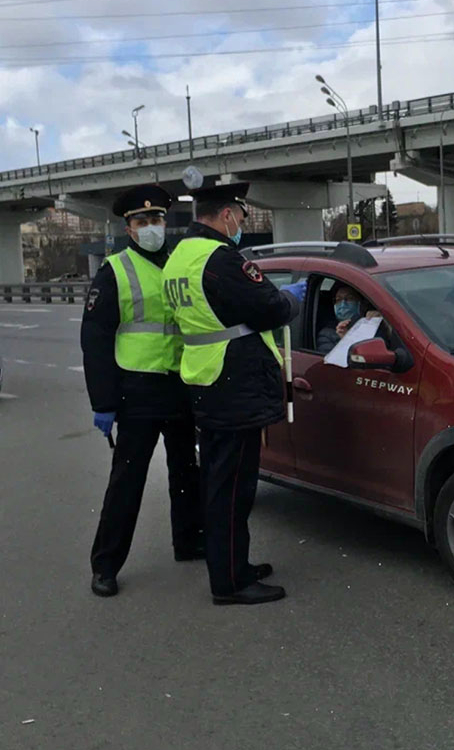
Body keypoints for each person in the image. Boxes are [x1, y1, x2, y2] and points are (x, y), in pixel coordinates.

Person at [161, 182, 308, 606]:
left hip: (206, 378)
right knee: (232, 489)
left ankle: (233, 566)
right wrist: (290, 298)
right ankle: (230, 582)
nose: (242, 225)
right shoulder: (221, 259)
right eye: (241, 217)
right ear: (227, 214)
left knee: (221, 481)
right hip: (232, 381)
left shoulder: (179, 257)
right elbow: (272, 309)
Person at [81, 184, 204, 598]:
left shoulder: (177, 264)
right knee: (127, 481)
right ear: (128, 228)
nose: (150, 227)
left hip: (180, 384)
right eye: (141, 221)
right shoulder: (115, 270)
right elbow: (95, 340)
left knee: (186, 471)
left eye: (156, 220)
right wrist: (104, 402)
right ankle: (106, 565)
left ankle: (189, 541)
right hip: (137, 389)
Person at [316, 282, 382, 355]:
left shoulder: (371, 323)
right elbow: (332, 362)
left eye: (349, 298)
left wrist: (381, 322)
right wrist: (346, 340)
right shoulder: (327, 334)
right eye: (338, 300)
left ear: (361, 303)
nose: (343, 304)